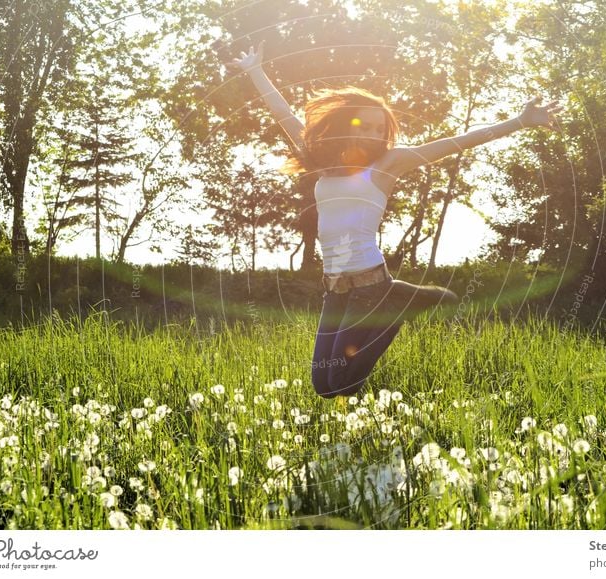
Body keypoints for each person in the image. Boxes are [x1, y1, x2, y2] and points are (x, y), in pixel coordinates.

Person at [227, 40, 563, 399]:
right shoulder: (323, 162)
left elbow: (455, 142)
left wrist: (519, 122)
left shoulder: (388, 164)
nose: (373, 135)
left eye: (379, 129)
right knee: (323, 387)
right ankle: (403, 300)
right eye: (365, 126)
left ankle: (398, 306)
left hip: (370, 286)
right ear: (347, 125)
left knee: (341, 382)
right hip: (333, 287)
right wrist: (255, 71)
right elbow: (283, 115)